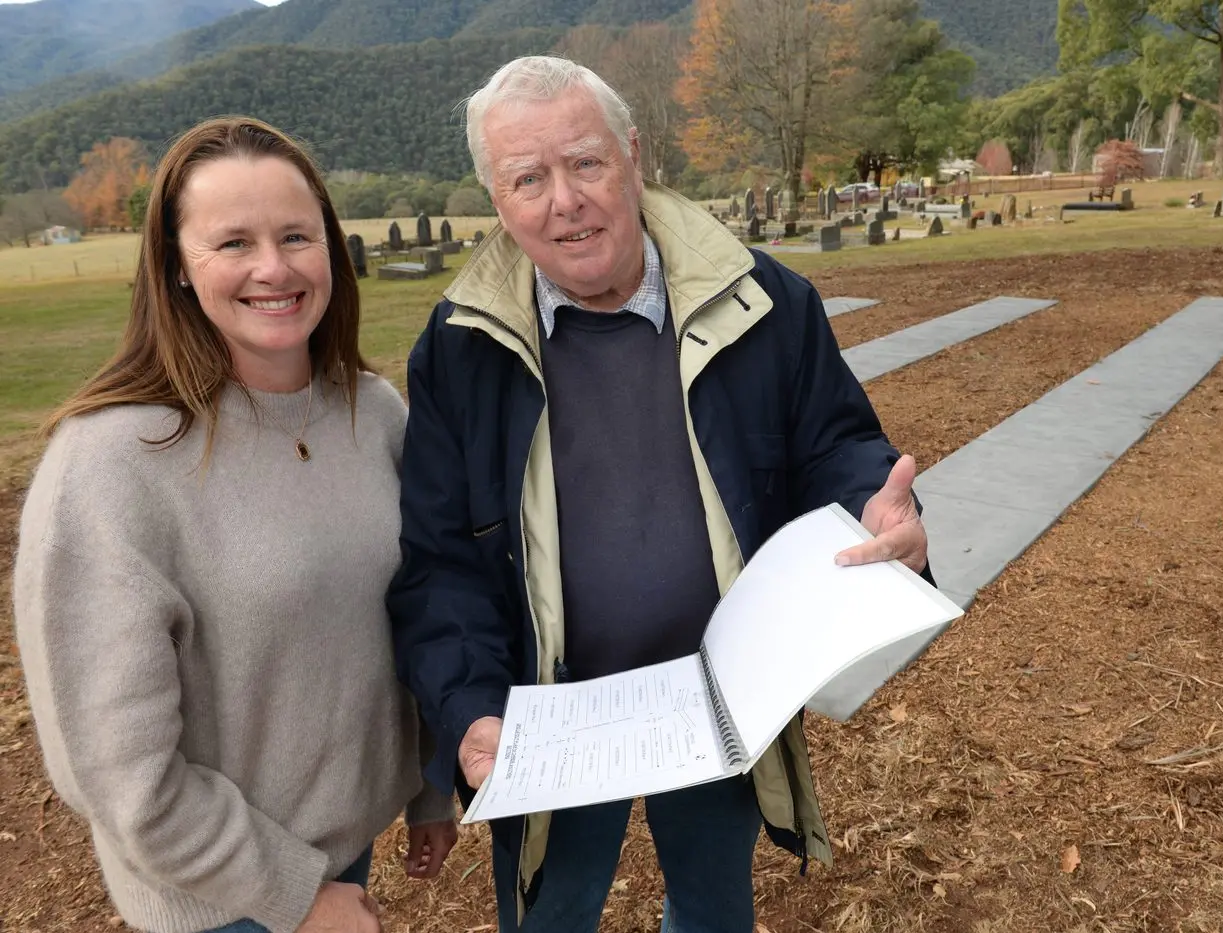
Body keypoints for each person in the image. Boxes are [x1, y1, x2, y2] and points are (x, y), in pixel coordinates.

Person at [387, 57, 931, 933]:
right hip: (548, 710)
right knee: (551, 913)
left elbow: (835, 445)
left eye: (586, 163)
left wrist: (877, 506)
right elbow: (443, 564)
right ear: (498, 200)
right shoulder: (458, 349)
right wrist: (470, 710)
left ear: (634, 157)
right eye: (528, 178)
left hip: (719, 690)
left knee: (714, 904)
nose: (564, 200)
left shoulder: (767, 302)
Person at [13, 116, 458, 933]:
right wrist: (294, 898)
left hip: (343, 847)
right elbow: (119, 774)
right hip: (218, 903)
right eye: (233, 243)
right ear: (177, 267)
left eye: (297, 234)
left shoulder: (374, 414)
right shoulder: (111, 463)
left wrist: (428, 783)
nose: (274, 267)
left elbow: (411, 615)